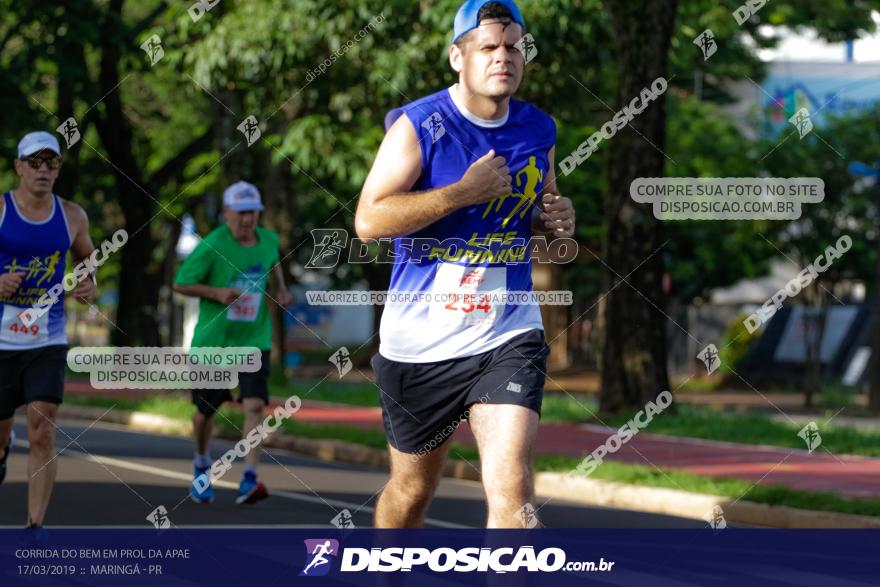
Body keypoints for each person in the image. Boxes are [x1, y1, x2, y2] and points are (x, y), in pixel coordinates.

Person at [355, 0, 576, 528]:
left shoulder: (537, 128)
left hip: (506, 333)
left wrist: (556, 214)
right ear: (458, 56)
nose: (504, 57)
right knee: (411, 490)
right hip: (419, 344)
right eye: (489, 47)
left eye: (514, 47)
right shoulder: (419, 126)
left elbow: (540, 200)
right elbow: (368, 220)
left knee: (512, 486)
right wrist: (460, 193)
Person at [173, 181, 292, 505]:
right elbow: (181, 283)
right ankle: (201, 462)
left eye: (252, 212)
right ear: (226, 213)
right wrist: (216, 293)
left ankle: (249, 478)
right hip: (214, 343)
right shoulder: (212, 243)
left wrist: (280, 289)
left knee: (255, 405)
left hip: (254, 339)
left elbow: (273, 263)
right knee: (205, 412)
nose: (246, 219)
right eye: (240, 213)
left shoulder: (268, 239)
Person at [0, 131, 97, 527]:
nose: (42, 170)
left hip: (48, 338)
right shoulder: (2, 210)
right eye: (34, 162)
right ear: (19, 166)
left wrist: (89, 282)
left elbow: (87, 258)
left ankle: (34, 527)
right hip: (1, 342)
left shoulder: (72, 215)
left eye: (50, 163)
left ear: (58, 170)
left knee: (43, 429)